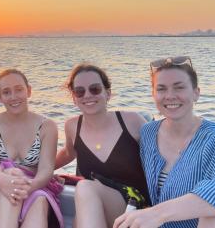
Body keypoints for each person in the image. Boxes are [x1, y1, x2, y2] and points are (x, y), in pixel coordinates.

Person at [114, 56, 215, 228]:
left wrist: (157, 214)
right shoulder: (148, 133)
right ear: (153, 94)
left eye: (179, 87)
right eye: (161, 89)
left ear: (196, 92)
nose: (170, 96)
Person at [55, 63, 149, 228]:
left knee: (84, 187)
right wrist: (35, 170)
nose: (87, 95)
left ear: (108, 93)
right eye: (80, 91)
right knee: (83, 205)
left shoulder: (132, 122)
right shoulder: (72, 126)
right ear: (74, 98)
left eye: (95, 89)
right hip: (93, 207)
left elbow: (162, 157)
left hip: (135, 207)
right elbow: (68, 153)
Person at [0, 69, 63, 228]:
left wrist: (31, 185)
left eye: (19, 89)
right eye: (6, 92)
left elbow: (46, 169)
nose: (13, 97)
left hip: (35, 186)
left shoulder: (47, 126)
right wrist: (2, 179)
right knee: (12, 179)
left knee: (39, 200)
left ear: (29, 91)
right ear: (0, 97)